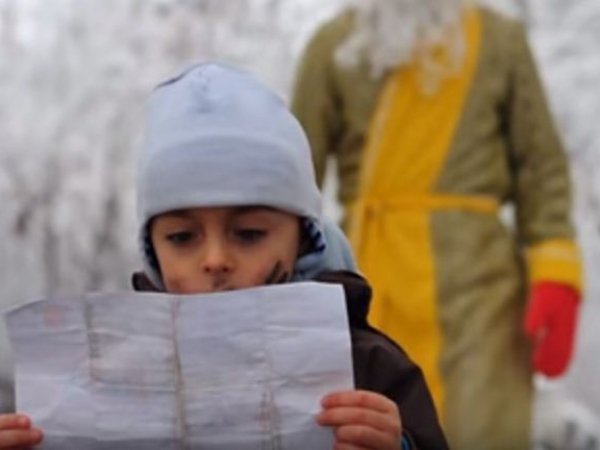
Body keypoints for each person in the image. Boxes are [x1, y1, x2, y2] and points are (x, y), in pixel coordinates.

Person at [0, 63, 448, 449]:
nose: (215, 260)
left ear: (303, 238)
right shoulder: (99, 381)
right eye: (182, 237)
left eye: (249, 234)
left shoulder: (367, 368)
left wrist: (398, 445)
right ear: (152, 252)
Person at [292, 1, 582, 448]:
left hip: (481, 292)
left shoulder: (500, 42)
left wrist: (555, 274)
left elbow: (541, 168)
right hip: (371, 285)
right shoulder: (331, 47)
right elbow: (292, 182)